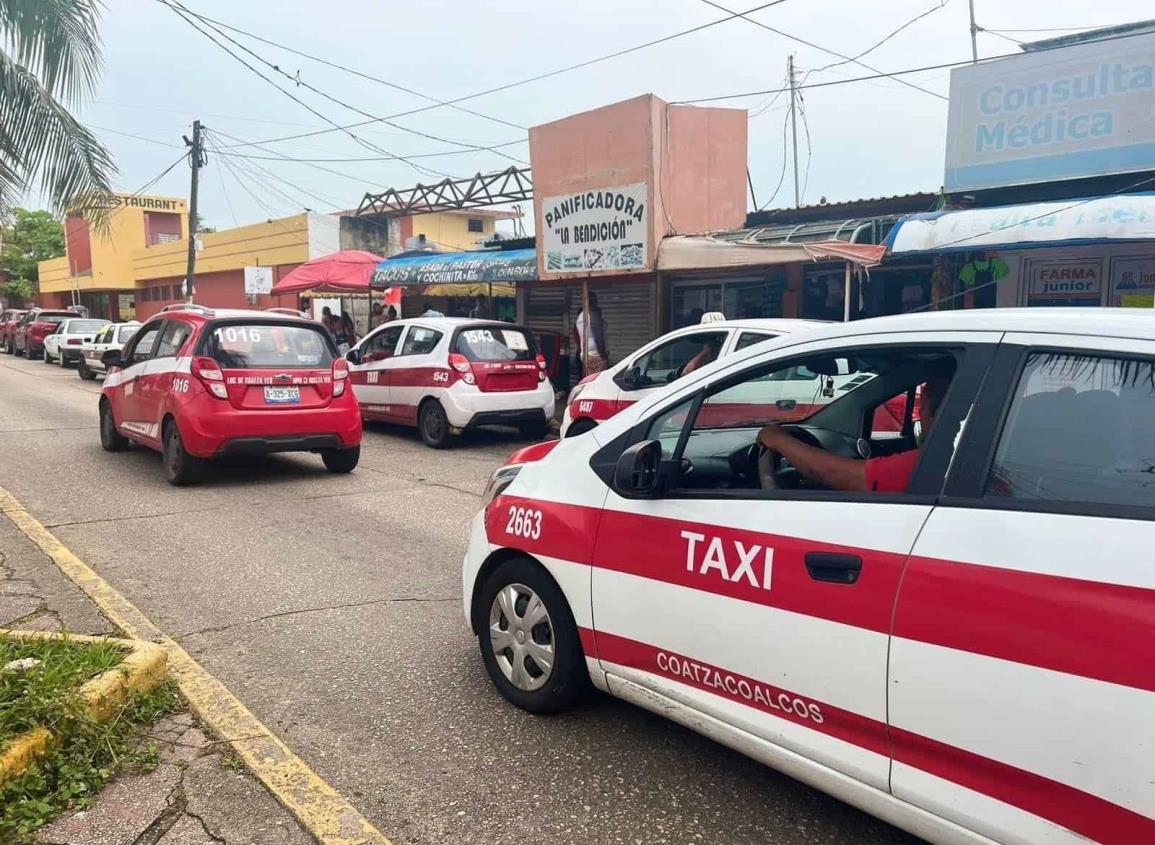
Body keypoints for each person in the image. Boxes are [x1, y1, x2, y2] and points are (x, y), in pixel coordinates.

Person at [756, 367, 953, 494]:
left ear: (926, 405)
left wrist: (777, 439)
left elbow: (835, 474)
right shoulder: (965, 455)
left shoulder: (938, 462)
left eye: (920, 406)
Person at [574, 292, 609, 375]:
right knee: (598, 384)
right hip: (596, 355)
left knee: (589, 382)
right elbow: (598, 335)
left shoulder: (581, 315)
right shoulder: (593, 314)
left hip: (586, 355)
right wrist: (603, 354)